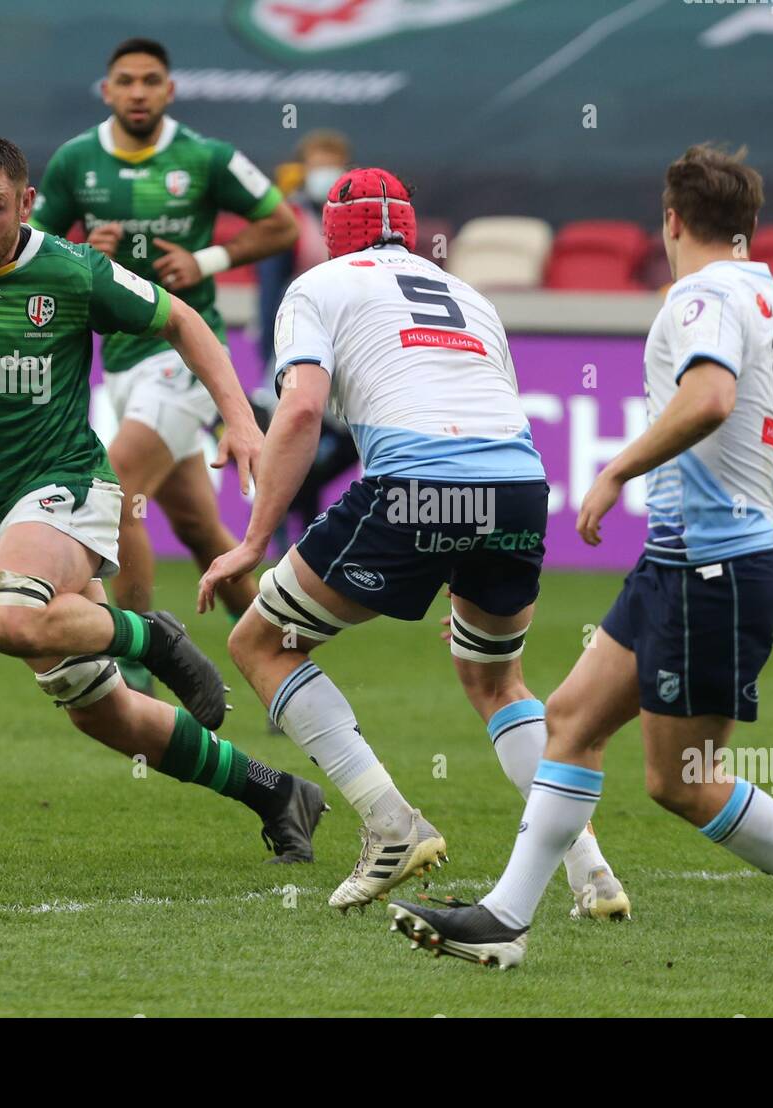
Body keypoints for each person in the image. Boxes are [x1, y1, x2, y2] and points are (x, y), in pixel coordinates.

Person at [387, 145, 773, 972]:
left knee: (683, 781)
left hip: (710, 573)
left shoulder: (701, 296)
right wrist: (753, 527)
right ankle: (505, 920)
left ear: (670, 219)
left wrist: (621, 469)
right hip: (687, 562)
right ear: (750, 223)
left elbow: (710, 398)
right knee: (572, 720)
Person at [0, 132, 326, 863]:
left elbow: (180, 318)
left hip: (67, 486)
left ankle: (153, 637)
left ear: (26, 202)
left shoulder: (71, 269)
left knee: (7, 618)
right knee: (103, 713)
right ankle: (274, 793)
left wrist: (242, 421)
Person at [198, 167, 629, 918]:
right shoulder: (470, 295)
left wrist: (252, 541)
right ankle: (591, 875)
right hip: (520, 488)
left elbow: (298, 412)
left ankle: (390, 824)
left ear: (331, 233)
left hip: (418, 482)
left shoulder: (317, 286)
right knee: (497, 680)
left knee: (260, 643)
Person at [31, 37, 299, 695]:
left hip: (185, 356)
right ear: (108, 92)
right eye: (127, 81)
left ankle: (140, 658)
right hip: (121, 361)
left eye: (152, 80)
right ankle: (284, 662)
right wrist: (80, 252)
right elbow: (33, 248)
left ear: (170, 91)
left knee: (119, 486)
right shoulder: (75, 162)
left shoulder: (204, 157)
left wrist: (207, 261)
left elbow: (283, 225)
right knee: (200, 529)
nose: (140, 92)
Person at [252, 130, 360, 551]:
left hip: (346, 346)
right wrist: (271, 354)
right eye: (318, 163)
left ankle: (305, 517)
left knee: (329, 442)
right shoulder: (289, 219)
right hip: (296, 343)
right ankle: (277, 529)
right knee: (294, 428)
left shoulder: (355, 220)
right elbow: (268, 291)